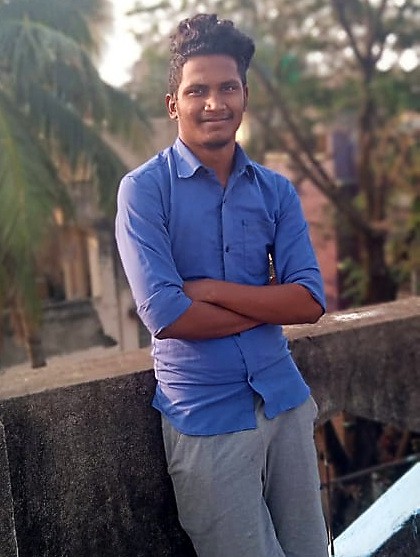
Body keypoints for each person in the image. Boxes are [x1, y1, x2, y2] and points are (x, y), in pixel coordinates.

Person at [115, 13, 329, 557]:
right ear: (173, 104)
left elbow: (310, 300)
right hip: (205, 413)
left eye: (228, 88)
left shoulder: (276, 191)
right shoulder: (143, 191)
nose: (215, 103)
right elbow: (167, 314)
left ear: (245, 96)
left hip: (284, 399)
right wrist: (270, 304)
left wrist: (208, 288)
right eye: (198, 91)